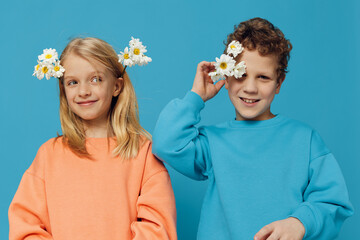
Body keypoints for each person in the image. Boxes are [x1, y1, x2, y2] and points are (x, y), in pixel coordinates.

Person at [152, 18, 353, 240]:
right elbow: (166, 143)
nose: (250, 88)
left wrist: (300, 223)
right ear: (226, 77)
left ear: (279, 83)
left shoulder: (305, 140)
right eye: (241, 75)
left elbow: (333, 202)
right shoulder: (212, 143)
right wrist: (196, 97)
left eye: (263, 77)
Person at [9, 37, 177, 240]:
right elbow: (25, 226)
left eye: (95, 79)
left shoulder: (143, 153)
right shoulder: (48, 155)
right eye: (73, 82)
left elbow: (157, 228)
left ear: (116, 86)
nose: (83, 91)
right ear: (64, 90)